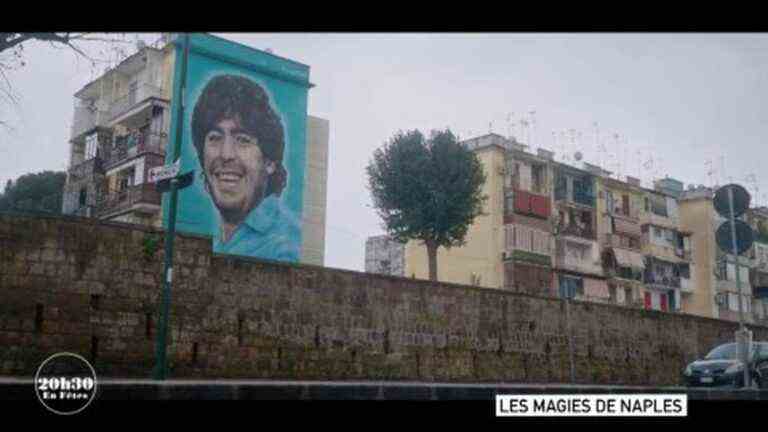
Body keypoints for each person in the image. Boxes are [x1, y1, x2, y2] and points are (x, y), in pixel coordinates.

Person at [191, 74, 300, 261]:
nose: (226, 154)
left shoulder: (284, 247)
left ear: (269, 162)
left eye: (242, 140)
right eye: (215, 138)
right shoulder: (221, 239)